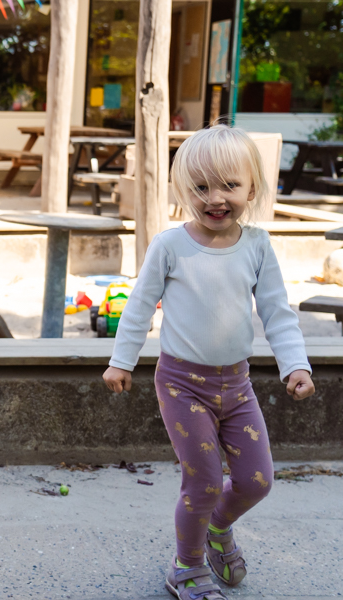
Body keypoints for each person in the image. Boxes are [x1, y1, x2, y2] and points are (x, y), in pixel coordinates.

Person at [102, 125, 315, 600]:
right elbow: (138, 307)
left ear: (252, 189)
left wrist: (294, 365)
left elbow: (278, 312)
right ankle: (187, 565)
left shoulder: (257, 246)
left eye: (229, 186)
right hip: (181, 385)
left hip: (236, 387)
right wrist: (122, 361)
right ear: (183, 190)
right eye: (201, 187)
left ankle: (218, 529)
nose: (215, 198)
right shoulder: (170, 246)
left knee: (257, 481)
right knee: (201, 481)